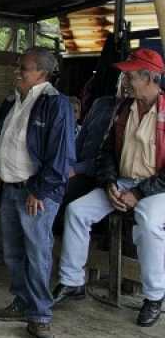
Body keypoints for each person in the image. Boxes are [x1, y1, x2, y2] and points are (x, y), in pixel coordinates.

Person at [54, 49, 165, 327]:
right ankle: (72, 282)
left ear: (150, 77)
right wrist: (109, 183)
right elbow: (106, 153)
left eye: (131, 75)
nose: (125, 80)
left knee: (148, 222)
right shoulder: (123, 108)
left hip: (158, 189)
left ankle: (154, 296)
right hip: (123, 182)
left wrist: (138, 194)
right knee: (77, 211)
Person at [0, 47, 75, 338]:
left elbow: (61, 157)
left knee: (37, 253)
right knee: (13, 251)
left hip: (35, 193)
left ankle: (40, 316)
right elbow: (0, 140)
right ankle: (22, 302)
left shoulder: (55, 104)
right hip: (9, 187)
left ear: (41, 73)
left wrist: (40, 190)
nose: (17, 71)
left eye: (23, 67)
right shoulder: (12, 101)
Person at [52, 95, 116, 236]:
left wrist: (77, 168)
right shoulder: (101, 103)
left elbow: (111, 156)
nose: (124, 84)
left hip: (102, 175)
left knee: (67, 190)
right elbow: (82, 137)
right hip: (81, 166)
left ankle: (58, 234)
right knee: (55, 180)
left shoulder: (128, 112)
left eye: (128, 79)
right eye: (122, 79)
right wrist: (69, 164)